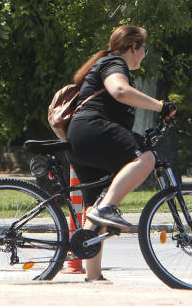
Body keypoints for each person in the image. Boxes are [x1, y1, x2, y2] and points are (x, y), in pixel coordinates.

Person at [67, 25, 176, 283]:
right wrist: (161, 106)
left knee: (93, 210)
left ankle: (94, 277)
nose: (144, 54)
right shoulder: (114, 63)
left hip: (81, 137)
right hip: (94, 130)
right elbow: (120, 91)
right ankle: (107, 207)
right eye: (143, 49)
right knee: (145, 158)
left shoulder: (105, 63)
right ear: (133, 47)